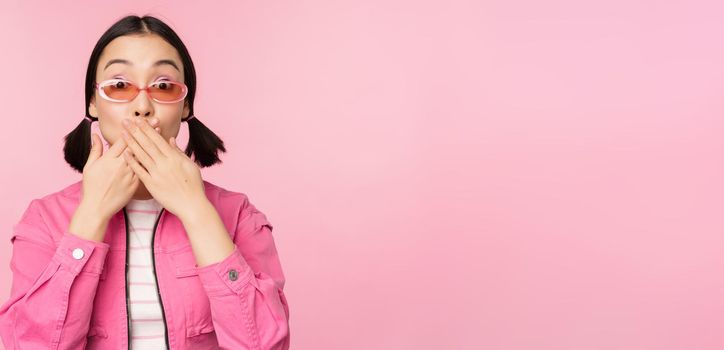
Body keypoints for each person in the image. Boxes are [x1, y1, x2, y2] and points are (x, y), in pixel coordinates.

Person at [0, 14, 290, 349]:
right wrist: (91, 214)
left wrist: (197, 211)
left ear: (185, 105)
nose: (142, 106)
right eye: (120, 86)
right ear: (93, 103)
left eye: (163, 86)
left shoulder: (238, 214)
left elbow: (265, 345)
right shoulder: (43, 220)